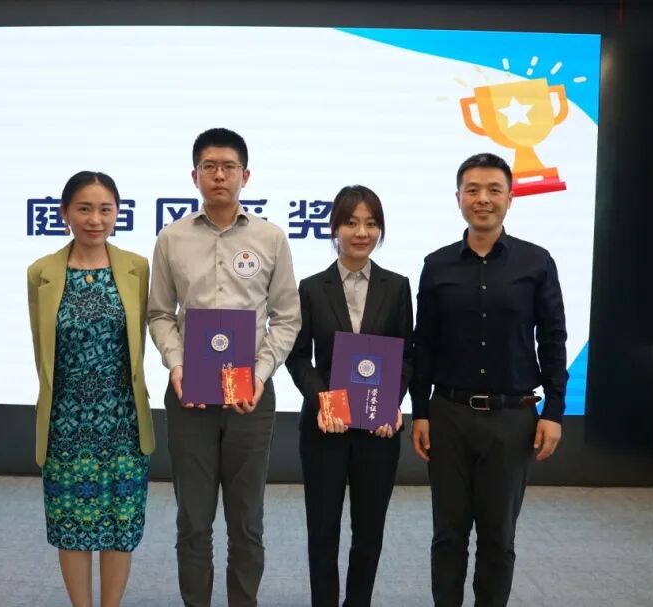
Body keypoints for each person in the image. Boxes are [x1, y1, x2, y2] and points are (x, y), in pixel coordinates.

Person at [148, 128, 301, 607]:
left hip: (249, 397)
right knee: (193, 520)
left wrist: (259, 373)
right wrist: (176, 364)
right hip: (189, 393)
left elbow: (287, 317)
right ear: (194, 176)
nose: (219, 175)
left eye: (229, 167)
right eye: (209, 166)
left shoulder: (270, 238)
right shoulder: (171, 238)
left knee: (246, 521)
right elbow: (160, 313)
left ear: (245, 176)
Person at [410, 153, 567, 607]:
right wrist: (420, 412)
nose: (483, 199)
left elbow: (553, 338)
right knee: (448, 534)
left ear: (510, 198)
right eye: (473, 190)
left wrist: (554, 411)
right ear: (458, 198)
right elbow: (425, 344)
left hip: (511, 418)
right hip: (449, 414)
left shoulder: (536, 263)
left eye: (494, 190)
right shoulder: (437, 265)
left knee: (498, 536)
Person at [26, 171, 154, 607]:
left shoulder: (136, 268)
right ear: (64, 213)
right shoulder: (41, 272)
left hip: (122, 421)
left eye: (105, 209)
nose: (95, 219)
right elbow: (42, 351)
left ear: (117, 213)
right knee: (71, 526)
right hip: (66, 423)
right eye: (84, 208)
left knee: (120, 526)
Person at [286, 185, 413, 606]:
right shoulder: (311, 287)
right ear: (335, 228)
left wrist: (391, 402)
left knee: (369, 531)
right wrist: (324, 400)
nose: (362, 232)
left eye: (371, 223)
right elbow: (298, 356)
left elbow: (407, 355)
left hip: (378, 429)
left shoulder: (397, 287)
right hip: (325, 425)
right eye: (351, 223)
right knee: (322, 530)